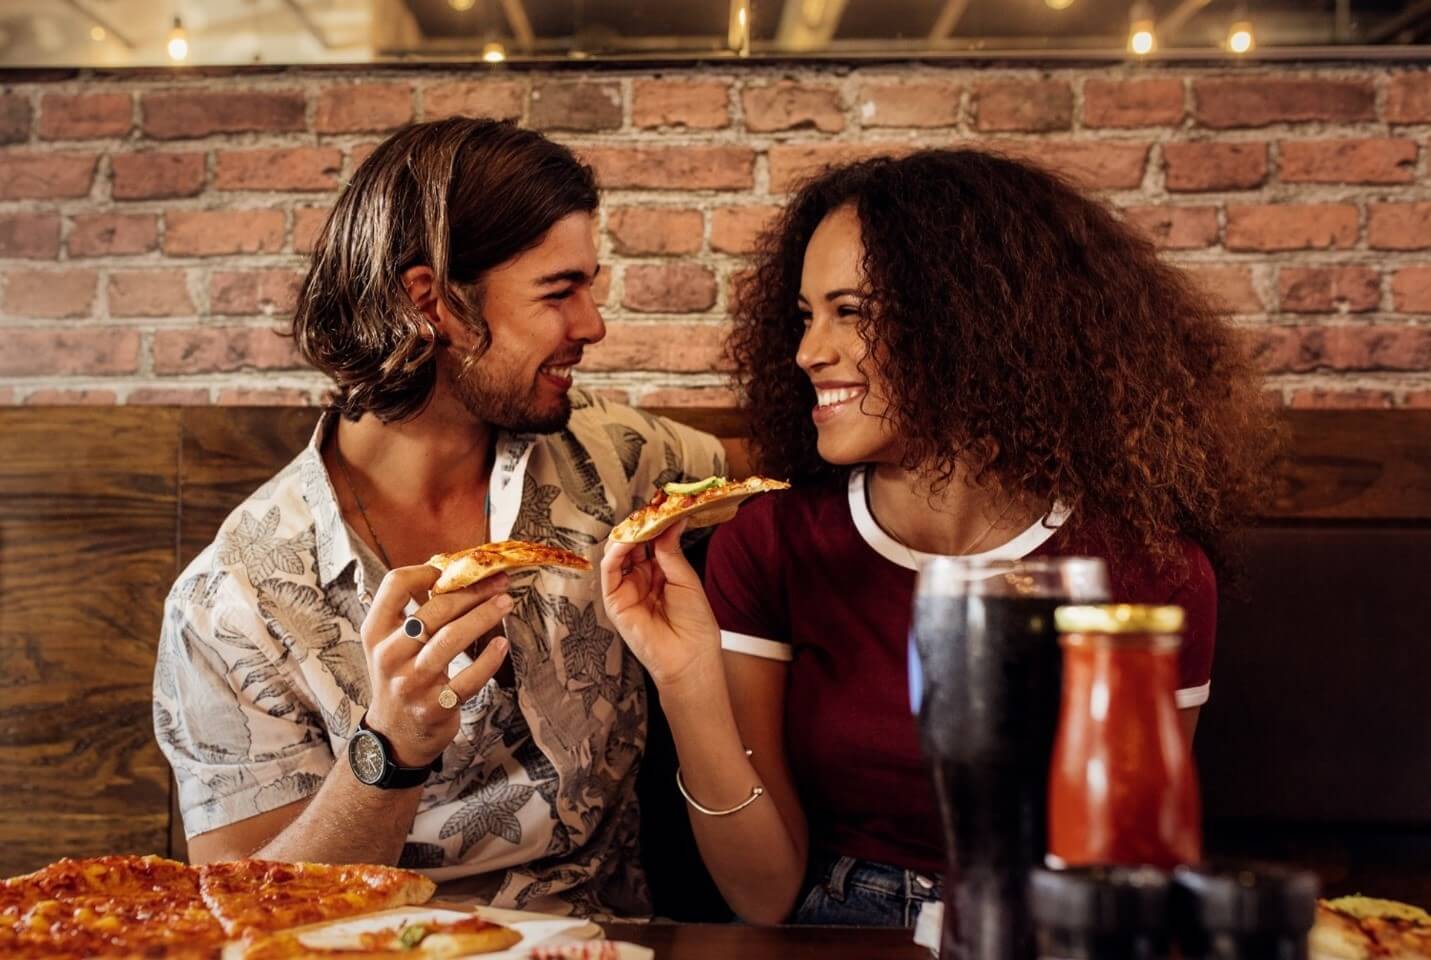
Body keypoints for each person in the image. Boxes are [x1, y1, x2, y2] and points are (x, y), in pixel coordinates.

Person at [600, 149, 1278, 927]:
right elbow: (762, 896)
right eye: (804, 315)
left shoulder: (1148, 570)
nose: (806, 352)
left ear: (971, 323)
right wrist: (686, 680)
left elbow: (1123, 867)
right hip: (835, 932)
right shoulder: (774, 542)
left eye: (850, 311)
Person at [153, 118, 726, 918]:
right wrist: (387, 751)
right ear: (429, 301)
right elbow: (246, 915)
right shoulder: (232, 604)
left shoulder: (622, 459)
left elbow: (789, 500)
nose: (593, 324)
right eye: (558, 292)